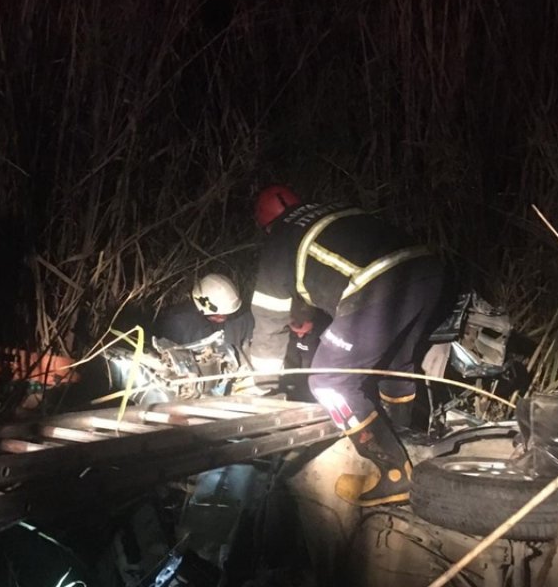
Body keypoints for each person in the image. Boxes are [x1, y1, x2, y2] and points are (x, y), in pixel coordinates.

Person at [246, 184, 448, 506]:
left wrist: (263, 385)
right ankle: (406, 443)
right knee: (394, 367)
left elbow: (269, 316)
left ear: (267, 226)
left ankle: (394, 474)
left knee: (328, 381)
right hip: (427, 270)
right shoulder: (333, 211)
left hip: (379, 282)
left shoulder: (281, 238)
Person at [153, 272, 254, 364]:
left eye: (227, 313)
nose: (224, 317)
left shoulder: (242, 318)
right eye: (220, 314)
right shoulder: (179, 323)